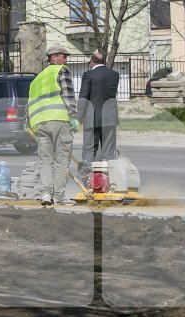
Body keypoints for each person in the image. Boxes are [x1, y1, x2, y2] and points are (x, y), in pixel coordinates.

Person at [27, 45, 79, 206]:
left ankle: (45, 195)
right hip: (59, 120)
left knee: (46, 160)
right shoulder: (61, 71)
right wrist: (73, 116)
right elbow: (68, 94)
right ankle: (59, 196)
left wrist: (27, 122)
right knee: (62, 159)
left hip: (40, 124)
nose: (66, 60)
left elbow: (29, 102)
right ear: (54, 57)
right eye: (64, 56)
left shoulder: (37, 78)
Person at [76, 51, 120, 179]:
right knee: (108, 152)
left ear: (91, 63)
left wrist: (79, 118)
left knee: (89, 150)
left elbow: (84, 97)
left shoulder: (88, 75)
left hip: (91, 118)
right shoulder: (114, 75)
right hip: (109, 118)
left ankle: (87, 180)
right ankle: (109, 179)